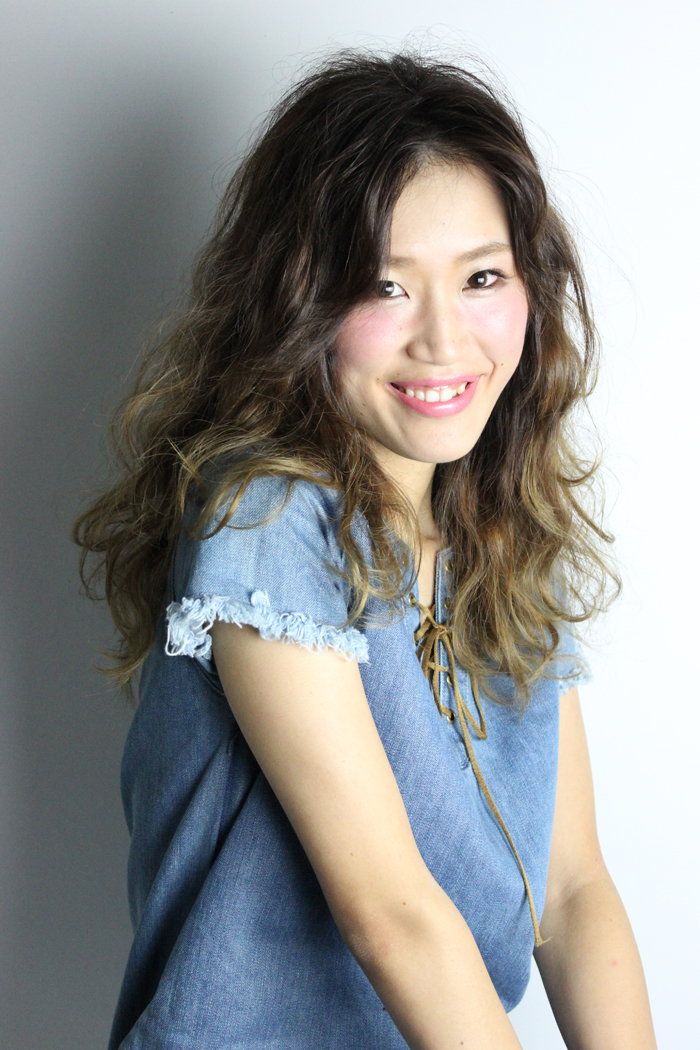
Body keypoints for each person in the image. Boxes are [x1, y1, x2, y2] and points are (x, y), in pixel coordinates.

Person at [75, 51, 657, 1050]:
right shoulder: (266, 518)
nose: (444, 340)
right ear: (297, 300)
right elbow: (393, 916)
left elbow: (571, 893)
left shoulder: (496, 533)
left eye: (482, 277)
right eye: (384, 287)